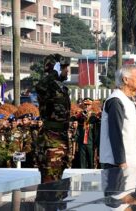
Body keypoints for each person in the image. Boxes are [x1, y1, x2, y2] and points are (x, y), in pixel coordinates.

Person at [100, 64, 136, 169]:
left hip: (134, 163)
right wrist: (121, 162)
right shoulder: (116, 101)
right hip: (120, 166)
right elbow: (116, 133)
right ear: (126, 80)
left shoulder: (130, 101)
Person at [35, 53, 71, 183]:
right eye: (64, 67)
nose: (67, 70)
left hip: (60, 139)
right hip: (50, 141)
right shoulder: (47, 86)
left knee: (57, 184)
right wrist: (53, 73)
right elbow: (40, 87)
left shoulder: (61, 88)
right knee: (49, 184)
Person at [75, 98, 100, 169]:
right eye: (85, 105)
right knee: (82, 162)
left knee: (91, 162)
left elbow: (97, 130)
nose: (87, 106)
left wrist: (96, 142)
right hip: (81, 141)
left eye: (88, 105)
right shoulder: (80, 115)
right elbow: (76, 119)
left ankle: (91, 178)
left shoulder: (94, 116)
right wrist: (83, 114)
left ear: (91, 105)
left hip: (91, 142)